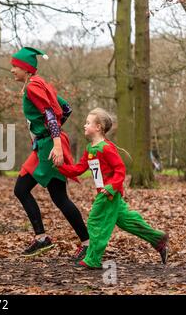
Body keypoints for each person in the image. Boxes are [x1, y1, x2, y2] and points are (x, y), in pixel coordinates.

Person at [57, 108, 169, 269]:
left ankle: (93, 259)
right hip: (107, 193)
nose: (84, 125)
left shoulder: (106, 148)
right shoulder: (90, 148)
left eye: (88, 123)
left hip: (109, 193)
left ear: (98, 127)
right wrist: (60, 167)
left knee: (95, 221)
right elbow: (78, 169)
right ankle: (158, 239)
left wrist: (110, 187)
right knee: (126, 221)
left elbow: (120, 170)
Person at [10, 47, 89, 260]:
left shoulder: (33, 87)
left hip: (49, 147)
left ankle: (46, 238)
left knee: (23, 189)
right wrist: (51, 136)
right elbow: (67, 108)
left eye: (15, 66)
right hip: (46, 145)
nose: (12, 70)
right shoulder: (41, 83)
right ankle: (82, 242)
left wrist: (54, 142)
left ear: (27, 69)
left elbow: (49, 114)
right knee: (57, 196)